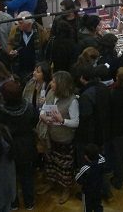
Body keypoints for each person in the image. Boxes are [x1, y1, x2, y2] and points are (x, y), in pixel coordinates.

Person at [0, 80, 39, 212]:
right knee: (27, 175)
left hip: (9, 145)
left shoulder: (0, 110)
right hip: (26, 144)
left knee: (10, 175)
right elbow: (34, 121)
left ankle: (13, 203)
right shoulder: (29, 107)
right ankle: (29, 202)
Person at [38, 71, 79, 204]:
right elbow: (44, 108)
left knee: (64, 167)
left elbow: (76, 122)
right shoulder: (51, 93)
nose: (51, 83)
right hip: (50, 137)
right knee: (50, 162)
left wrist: (62, 121)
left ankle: (66, 189)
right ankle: (51, 183)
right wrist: (42, 115)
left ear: (61, 85)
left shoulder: (72, 101)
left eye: (54, 82)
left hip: (64, 140)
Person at [7, 11, 48, 81]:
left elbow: (45, 48)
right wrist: (10, 51)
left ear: (28, 24)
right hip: (19, 67)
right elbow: (10, 43)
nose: (18, 25)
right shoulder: (15, 30)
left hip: (34, 67)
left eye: (20, 23)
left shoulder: (41, 32)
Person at [75, 143, 106, 212]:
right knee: (98, 205)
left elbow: (77, 179)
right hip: (98, 189)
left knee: (87, 208)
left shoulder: (86, 168)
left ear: (86, 157)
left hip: (87, 192)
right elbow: (102, 158)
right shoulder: (101, 161)